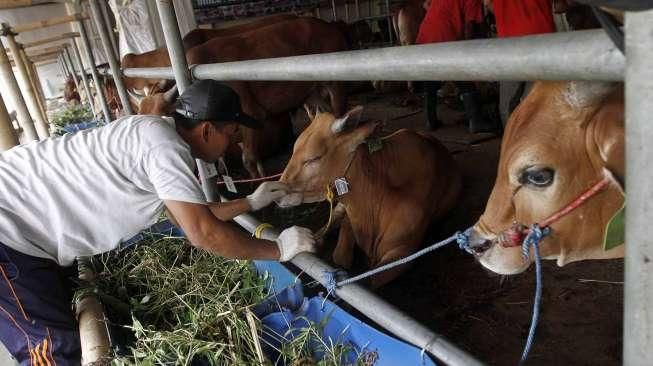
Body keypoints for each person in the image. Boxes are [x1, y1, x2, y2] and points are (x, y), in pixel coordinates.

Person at [0, 80, 316, 364]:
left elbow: (190, 216)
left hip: (23, 223)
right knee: (52, 349)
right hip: (8, 229)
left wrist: (251, 201)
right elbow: (203, 232)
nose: (234, 145)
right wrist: (277, 249)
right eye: (232, 134)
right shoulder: (165, 147)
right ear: (207, 130)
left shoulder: (153, 135)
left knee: (65, 315)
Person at [416, 0, 496, 133]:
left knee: (431, 80)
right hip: (445, 38)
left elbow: (427, 5)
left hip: (425, 37)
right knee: (465, 80)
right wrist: (467, 51)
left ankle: (430, 120)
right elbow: (470, 26)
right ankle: (476, 121)